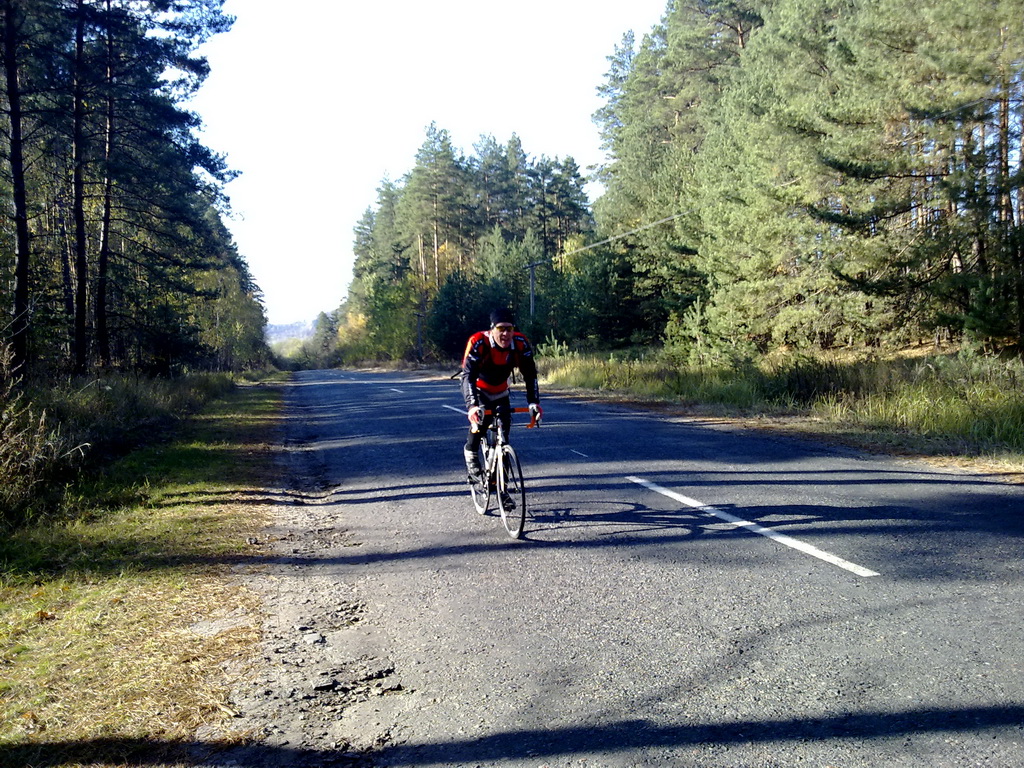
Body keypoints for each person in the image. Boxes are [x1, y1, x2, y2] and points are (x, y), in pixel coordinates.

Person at [461, 307, 542, 505]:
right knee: (481, 423)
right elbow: (467, 375)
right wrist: (472, 406)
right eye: (501, 328)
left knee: (503, 439)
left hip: (501, 391)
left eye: (509, 328)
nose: (505, 333)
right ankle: (471, 453)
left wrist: (533, 402)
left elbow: (530, 374)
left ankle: (502, 490)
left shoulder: (520, 343)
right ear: (492, 329)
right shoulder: (479, 342)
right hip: (479, 389)